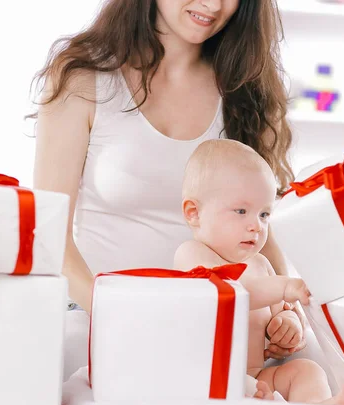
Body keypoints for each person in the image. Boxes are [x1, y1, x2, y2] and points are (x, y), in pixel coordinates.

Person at [31, 0, 307, 380]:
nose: (213, 5)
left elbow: (259, 225)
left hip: (215, 327)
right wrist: (121, 314)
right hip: (101, 319)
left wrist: (288, 314)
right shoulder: (84, 78)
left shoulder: (243, 91)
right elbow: (49, 234)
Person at [174, 139, 344, 405]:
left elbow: (282, 310)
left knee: (306, 370)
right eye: (241, 211)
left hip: (257, 378)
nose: (256, 226)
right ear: (194, 213)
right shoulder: (191, 255)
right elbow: (234, 292)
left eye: (264, 214)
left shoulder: (260, 264)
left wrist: (287, 325)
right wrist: (286, 286)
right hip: (206, 381)